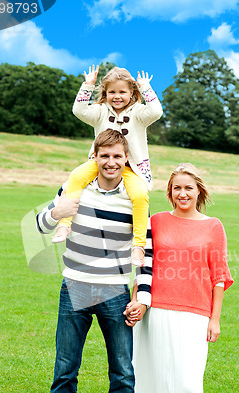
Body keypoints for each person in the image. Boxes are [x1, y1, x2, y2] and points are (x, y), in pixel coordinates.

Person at [36, 130, 152, 393]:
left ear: (126, 159)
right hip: (74, 287)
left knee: (122, 372)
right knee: (65, 369)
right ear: (95, 157)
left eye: (118, 157)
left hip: (115, 291)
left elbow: (146, 250)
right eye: (105, 156)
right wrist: (58, 213)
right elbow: (40, 224)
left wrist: (141, 297)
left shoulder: (135, 196)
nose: (111, 162)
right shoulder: (76, 186)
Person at [125, 163, 233, 393]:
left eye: (188, 187)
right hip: (158, 311)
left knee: (189, 381)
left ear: (199, 190)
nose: (182, 193)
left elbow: (220, 276)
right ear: (169, 192)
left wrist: (215, 319)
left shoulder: (213, 226)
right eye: (176, 188)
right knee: (164, 379)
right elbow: (144, 266)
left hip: (196, 313)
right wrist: (136, 302)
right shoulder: (156, 222)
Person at [52, 65, 163, 268]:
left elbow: (156, 111)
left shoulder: (139, 113)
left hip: (131, 168)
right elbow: (79, 110)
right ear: (105, 93)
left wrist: (146, 87)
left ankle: (138, 246)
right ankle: (64, 224)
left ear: (132, 92)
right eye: (112, 91)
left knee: (140, 195)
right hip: (100, 163)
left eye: (122, 92)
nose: (117, 96)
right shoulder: (101, 112)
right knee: (75, 178)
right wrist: (88, 85)